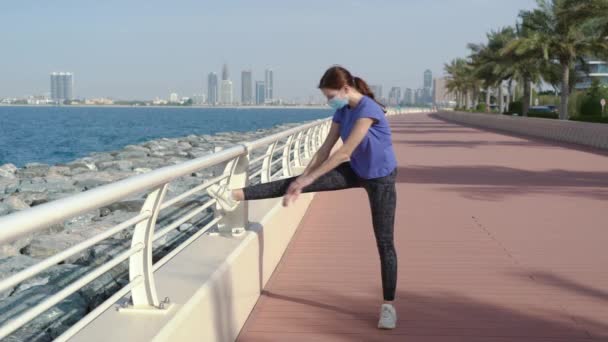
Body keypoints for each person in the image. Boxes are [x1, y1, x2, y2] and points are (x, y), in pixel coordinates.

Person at [207, 65, 398, 329]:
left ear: (345, 89)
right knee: (292, 183)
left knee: (384, 241)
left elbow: (344, 152)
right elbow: (325, 149)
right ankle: (234, 194)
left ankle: (388, 307)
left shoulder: (369, 110)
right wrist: (302, 179)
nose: (329, 102)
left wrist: (307, 179)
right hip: (355, 171)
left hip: (381, 178)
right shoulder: (343, 112)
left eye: (330, 96)